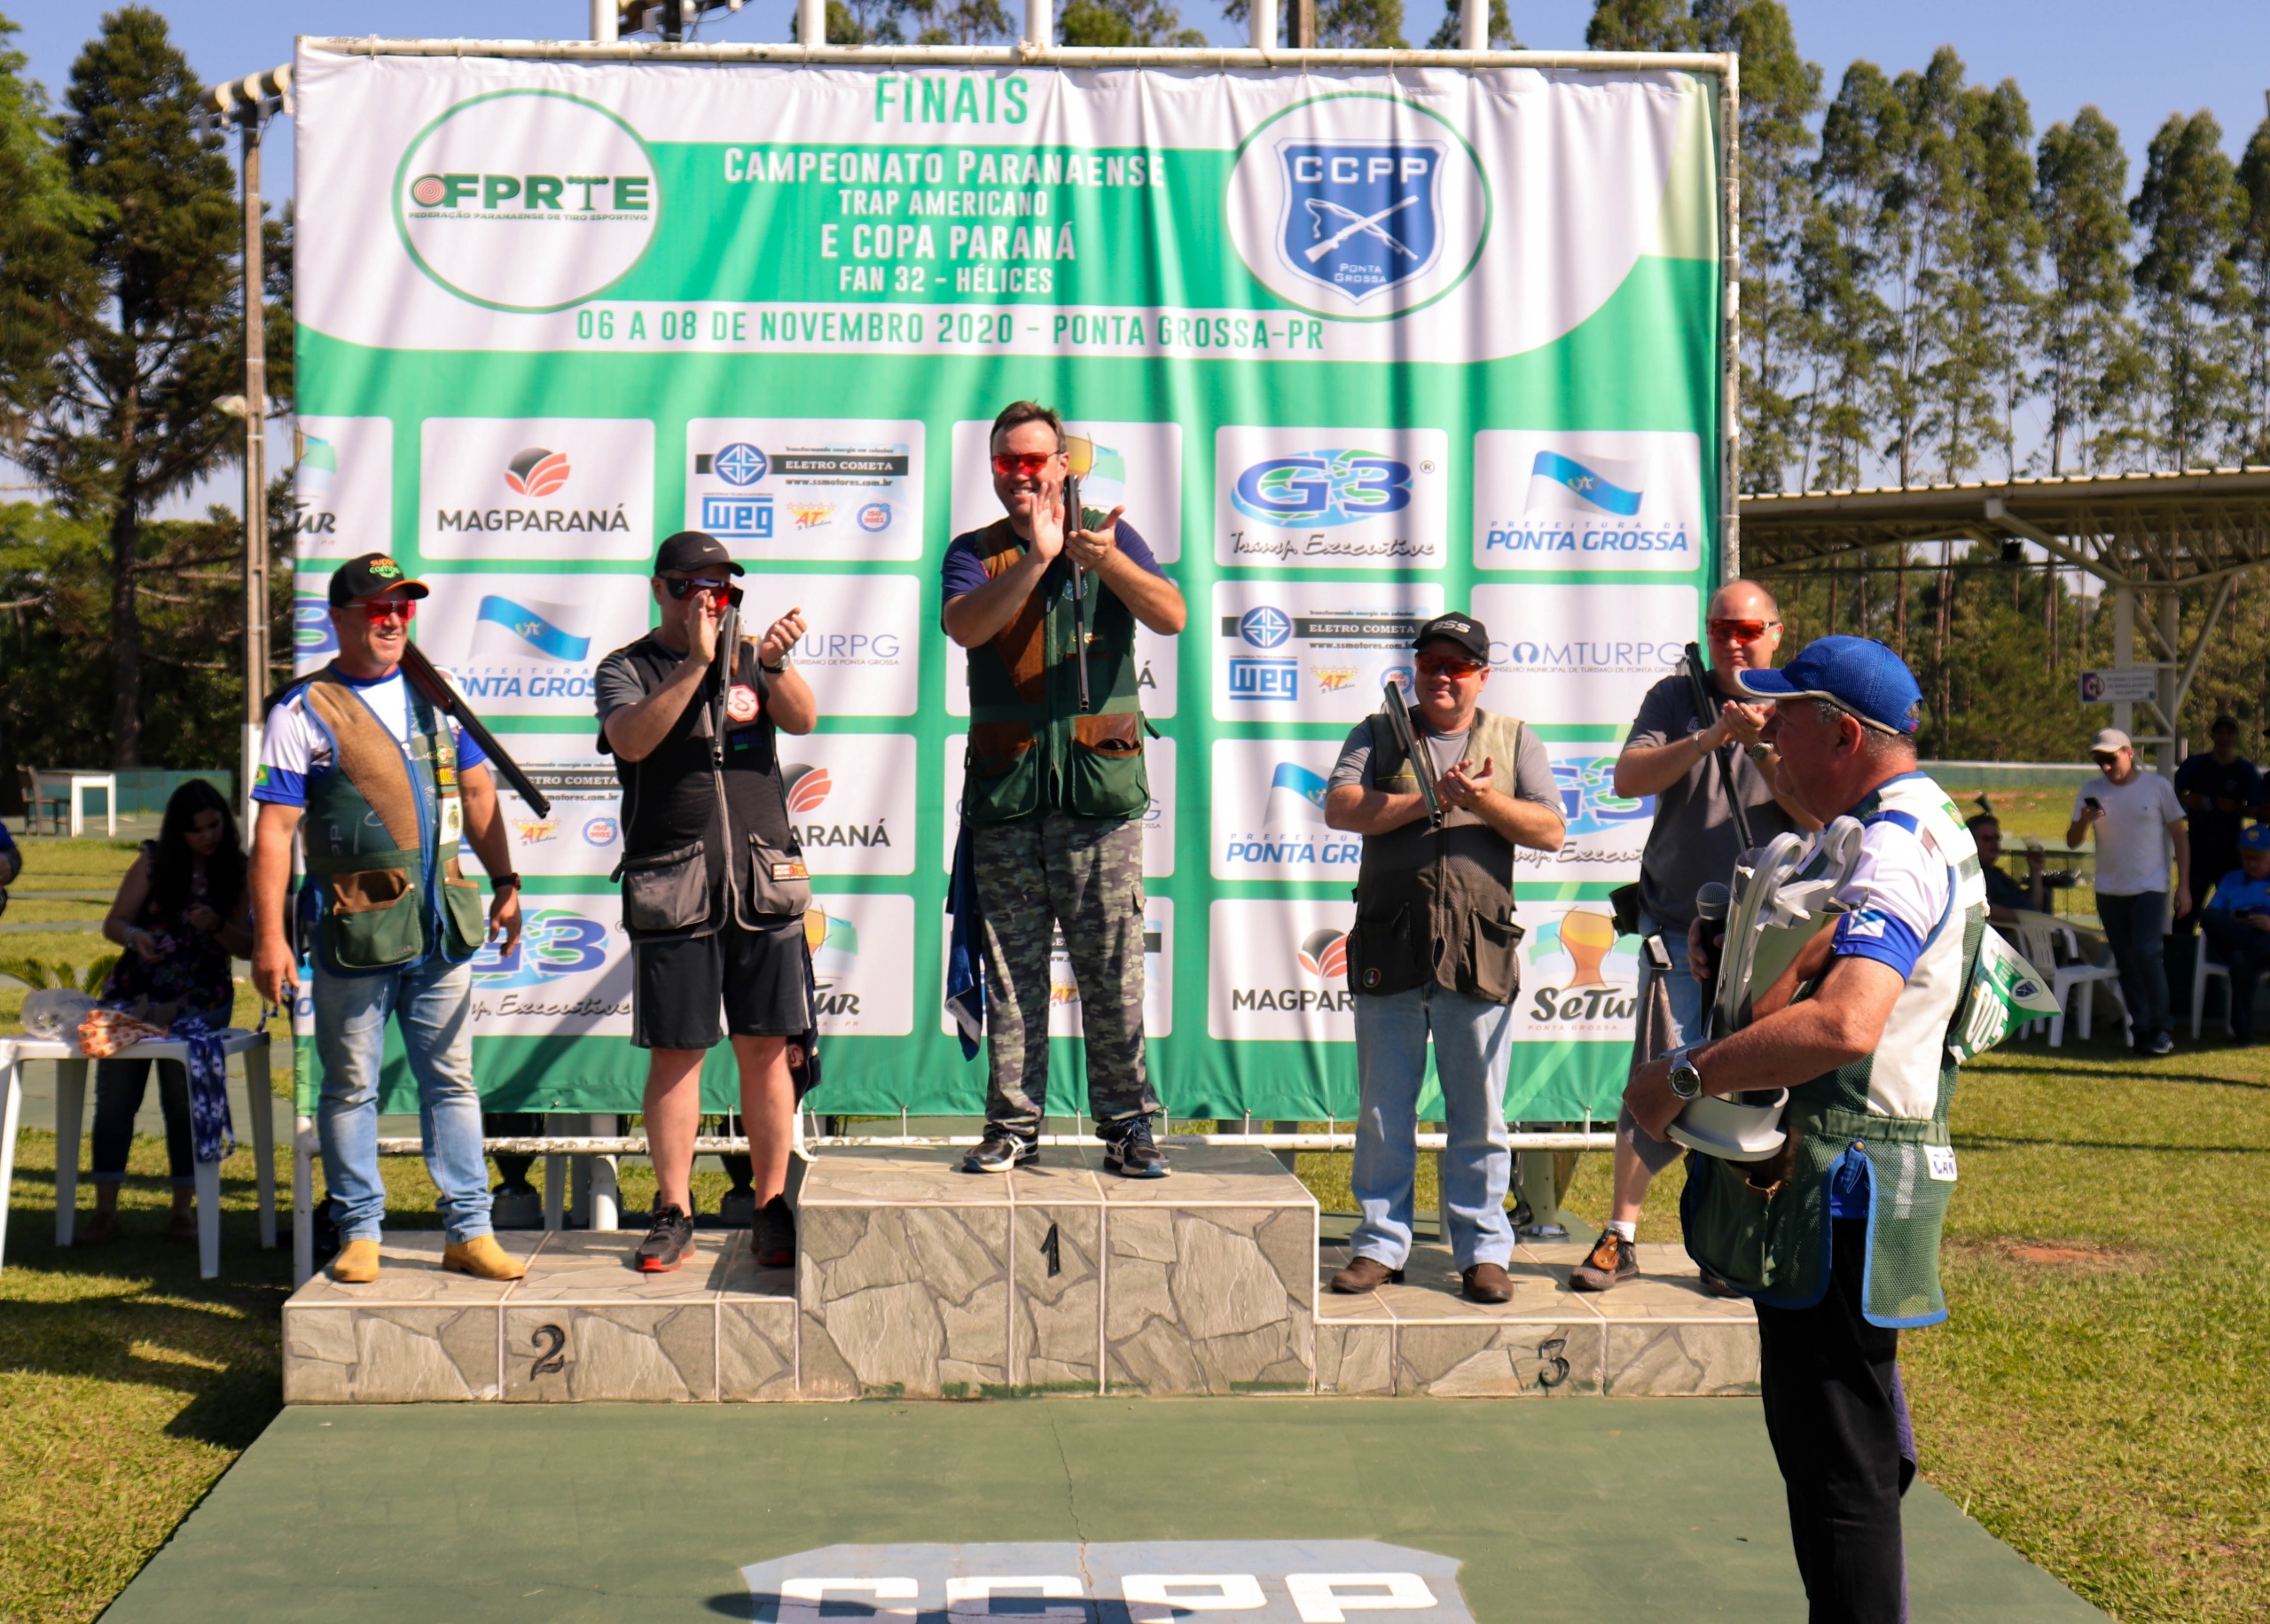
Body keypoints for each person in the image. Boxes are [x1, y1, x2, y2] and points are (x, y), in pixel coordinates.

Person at [1625, 635, 1984, 1624]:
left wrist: (1681, 1076)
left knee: (1841, 1475)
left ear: (1844, 734)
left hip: (1845, 1182)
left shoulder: (1895, 842)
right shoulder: (1881, 826)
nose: (1768, 734)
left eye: (1785, 716)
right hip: (1834, 1174)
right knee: (1836, 1458)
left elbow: (1845, 1025)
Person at [249, 553, 527, 1284]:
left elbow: (477, 793)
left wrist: (506, 880)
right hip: (355, 934)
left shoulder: (439, 693)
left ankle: (470, 1230)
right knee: (349, 1087)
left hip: (441, 931)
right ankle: (359, 1232)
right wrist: (271, 938)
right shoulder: (302, 709)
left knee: (452, 1084)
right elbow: (274, 833)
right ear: (339, 619)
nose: (394, 619)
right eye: (378, 608)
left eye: (403, 606)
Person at [942, 401, 1187, 1178]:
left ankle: (1128, 1125)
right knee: (1012, 975)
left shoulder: (1109, 536)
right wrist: (1039, 562)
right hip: (1007, 797)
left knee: (1112, 968)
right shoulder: (975, 551)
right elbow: (965, 627)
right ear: (993, 468)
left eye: (1034, 460)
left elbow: (1172, 615)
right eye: (1006, 461)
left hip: (1097, 799)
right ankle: (1013, 1125)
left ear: (1062, 465)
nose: (1020, 474)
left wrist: (1104, 562)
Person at [1573, 580, 1817, 1293]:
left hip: (1771, 936)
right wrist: (1710, 737)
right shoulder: (1674, 696)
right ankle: (1620, 1234)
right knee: (1659, 1072)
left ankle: (1730, 1245)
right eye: (1720, 630)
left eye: (1748, 630)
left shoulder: (1800, 705)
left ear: (1776, 633)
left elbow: (1815, 814)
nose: (1733, 642)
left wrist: (1761, 748)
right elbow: (1627, 779)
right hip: (1677, 923)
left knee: (1753, 1083)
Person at [1321, 613, 1567, 1303]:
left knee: (1480, 1115)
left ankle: (1483, 1250)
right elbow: (1340, 806)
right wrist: (1423, 799)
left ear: (1481, 676)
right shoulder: (1378, 732)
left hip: (1478, 951)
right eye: (1431, 664)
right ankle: (1379, 1244)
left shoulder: (1514, 738)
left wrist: (1484, 801)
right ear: (1415, 670)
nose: (1443, 677)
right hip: (1389, 946)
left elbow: (1550, 828)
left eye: (1458, 667)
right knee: (1382, 1112)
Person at [596, 530, 817, 1273]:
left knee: (767, 1048)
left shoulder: (751, 655)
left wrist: (774, 665)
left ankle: (771, 1205)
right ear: (662, 590)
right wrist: (694, 663)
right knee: (678, 1053)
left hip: (762, 884)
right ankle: (673, 1209)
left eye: (723, 588)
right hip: (676, 889)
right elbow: (631, 741)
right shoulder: (628, 666)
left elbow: (803, 718)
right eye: (696, 587)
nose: (712, 601)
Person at [80, 780, 253, 1245]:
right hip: (135, 992)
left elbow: (249, 946)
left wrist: (216, 925)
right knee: (115, 1097)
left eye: (214, 825)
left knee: (182, 1097)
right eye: (196, 830)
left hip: (201, 998)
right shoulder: (153, 862)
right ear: (178, 833)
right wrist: (134, 936)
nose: (208, 836)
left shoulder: (238, 869)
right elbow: (113, 922)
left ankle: (182, 1211)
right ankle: (105, 1210)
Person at [2066, 728, 2189, 1056]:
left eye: (2111, 759)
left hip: (2150, 886)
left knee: (2147, 952)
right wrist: (2085, 820)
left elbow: (2180, 836)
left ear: (2129, 753)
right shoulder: (2091, 790)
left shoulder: (2157, 787)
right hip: (2109, 889)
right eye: (2100, 761)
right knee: (2126, 960)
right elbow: (2072, 841)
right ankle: (2142, 1029)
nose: (2106, 767)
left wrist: (2184, 886)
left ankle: (2162, 1028)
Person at [2173, 715, 2259, 930]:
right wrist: (2188, 799)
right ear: (2212, 735)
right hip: (2197, 848)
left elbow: (2257, 810)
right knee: (2186, 909)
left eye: (2229, 733)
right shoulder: (2195, 764)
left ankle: (2228, 948)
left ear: (2236, 737)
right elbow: (2170, 795)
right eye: (2219, 733)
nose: (2224, 738)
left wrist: (2235, 808)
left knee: (2234, 908)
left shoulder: (2246, 770)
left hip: (2230, 850)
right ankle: (2179, 949)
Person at [2198, 823, 2270, 1042]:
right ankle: (2244, 1033)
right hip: (2238, 935)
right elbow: (2212, 913)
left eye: (2258, 858)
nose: (2252, 863)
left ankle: (2243, 1033)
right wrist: (2234, 920)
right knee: (2208, 917)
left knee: (2241, 958)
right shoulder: (2232, 878)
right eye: (2247, 857)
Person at [1967, 812, 2047, 925]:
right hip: (2008, 934)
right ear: (1971, 842)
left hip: (2031, 930)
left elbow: (2035, 908)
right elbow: (1977, 907)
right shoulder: (1973, 874)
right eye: (1987, 838)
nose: (1994, 843)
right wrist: (2021, 919)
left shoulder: (1998, 874)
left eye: (1997, 838)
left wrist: (2035, 870)